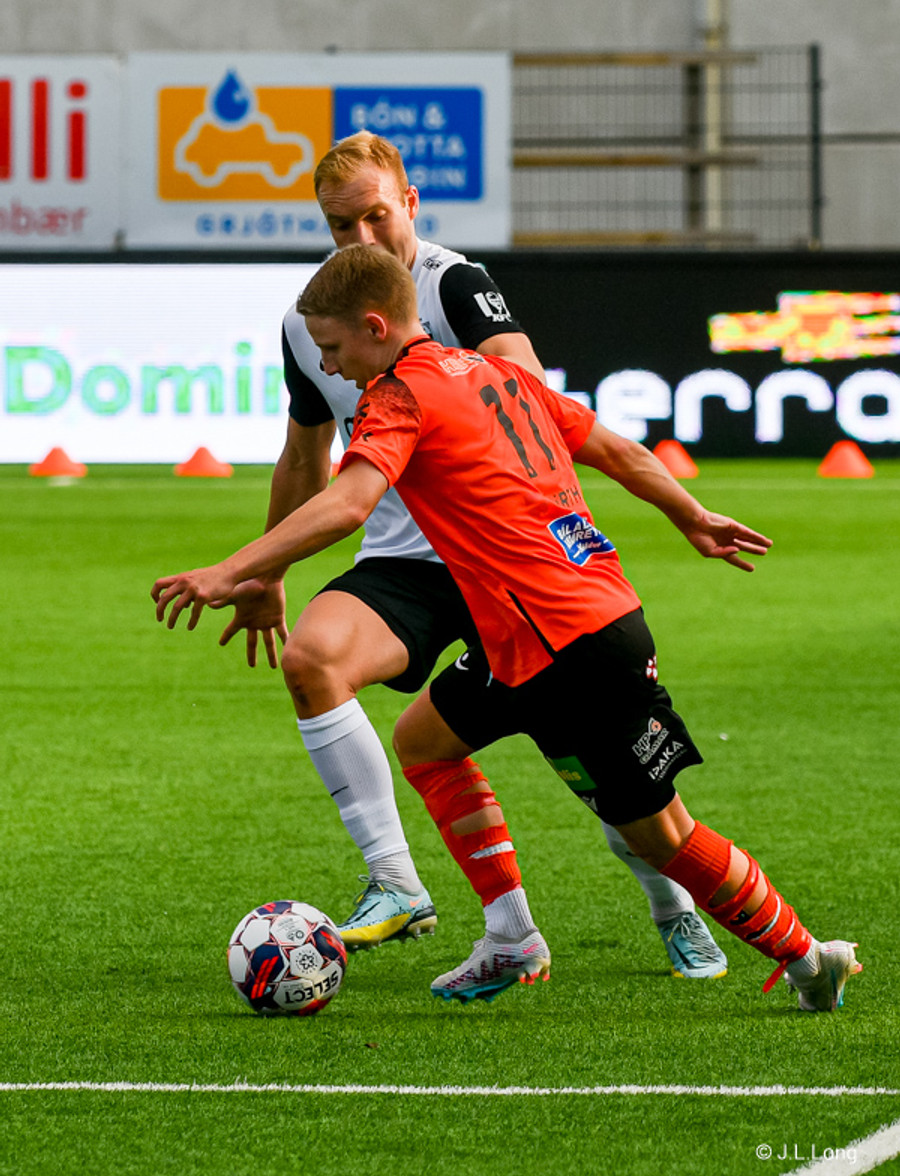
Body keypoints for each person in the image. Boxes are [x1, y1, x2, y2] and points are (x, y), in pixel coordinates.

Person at [152, 245, 861, 1013]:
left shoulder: (398, 394)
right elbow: (614, 449)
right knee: (425, 740)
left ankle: (808, 959)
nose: (329, 366)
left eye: (332, 347)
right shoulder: (498, 375)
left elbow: (350, 502)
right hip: (556, 628)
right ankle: (512, 936)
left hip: (566, 648)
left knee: (663, 837)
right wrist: (689, 514)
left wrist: (233, 571)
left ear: (375, 327)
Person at [217, 130, 727, 976]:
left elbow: (530, 394)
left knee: (602, 770)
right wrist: (265, 573)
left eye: (376, 216)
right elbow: (305, 455)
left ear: (410, 202)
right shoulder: (314, 322)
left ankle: (673, 905)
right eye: (342, 225)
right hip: (408, 563)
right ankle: (401, 885)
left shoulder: (454, 284)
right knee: (312, 659)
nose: (362, 237)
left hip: (509, 562)